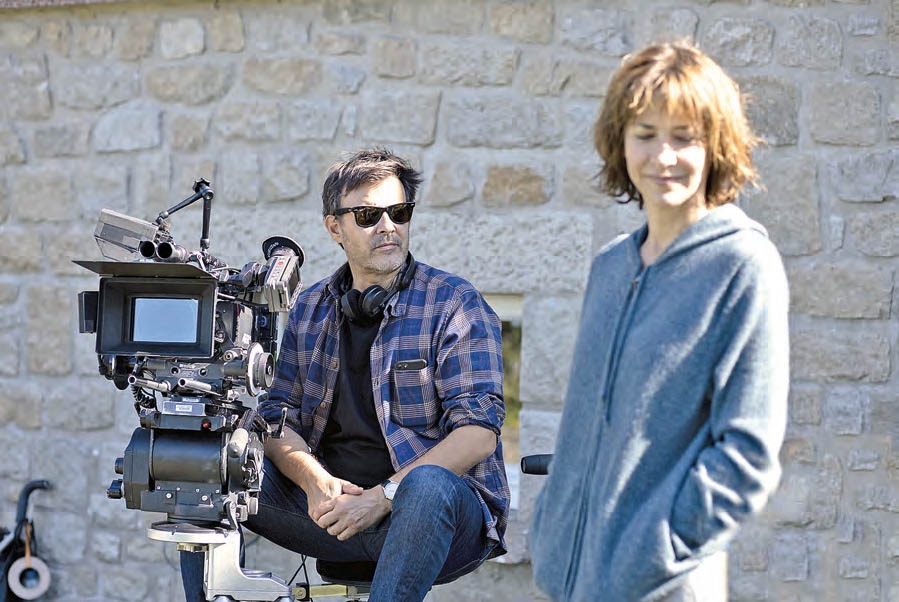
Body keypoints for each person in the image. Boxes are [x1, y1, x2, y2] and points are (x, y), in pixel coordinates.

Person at [181, 148, 509, 601]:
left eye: (399, 212)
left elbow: (479, 434)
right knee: (205, 461)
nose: (388, 226)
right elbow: (276, 419)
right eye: (369, 215)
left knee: (427, 485)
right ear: (335, 227)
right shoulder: (309, 308)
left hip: (434, 519)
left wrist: (383, 496)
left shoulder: (454, 303)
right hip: (332, 513)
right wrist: (315, 483)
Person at [529, 41, 789, 601]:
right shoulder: (610, 268)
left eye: (684, 137)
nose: (663, 156)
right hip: (572, 582)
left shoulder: (742, 265)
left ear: (715, 145)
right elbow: (582, 425)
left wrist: (654, 549)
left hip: (664, 586)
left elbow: (748, 455)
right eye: (645, 134)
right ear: (620, 141)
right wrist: (552, 529)